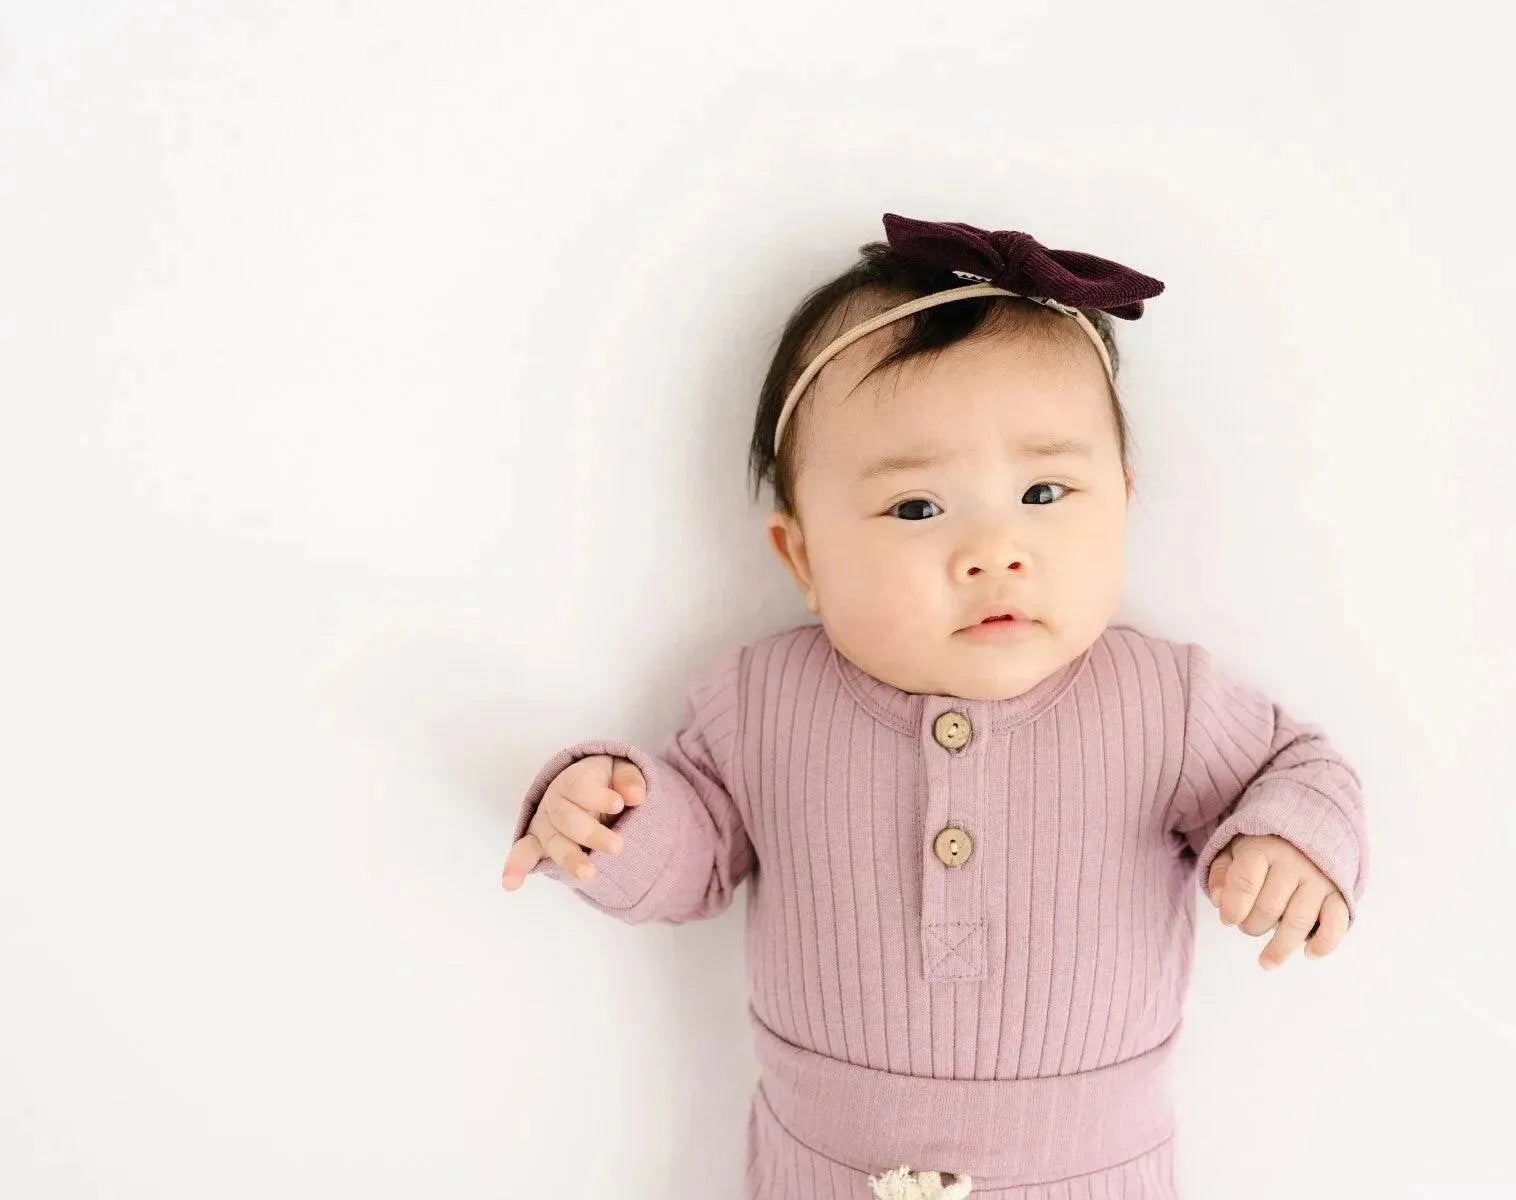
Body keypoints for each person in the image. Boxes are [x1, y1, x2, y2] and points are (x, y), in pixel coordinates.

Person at [500, 212, 1370, 1199]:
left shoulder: (1164, 702)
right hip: (820, 1173)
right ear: (803, 557)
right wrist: (613, 819)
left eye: (1045, 492)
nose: (995, 551)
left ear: (1123, 504)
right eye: (918, 508)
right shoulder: (761, 701)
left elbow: (1302, 767)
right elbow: (691, 861)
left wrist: (1291, 840)